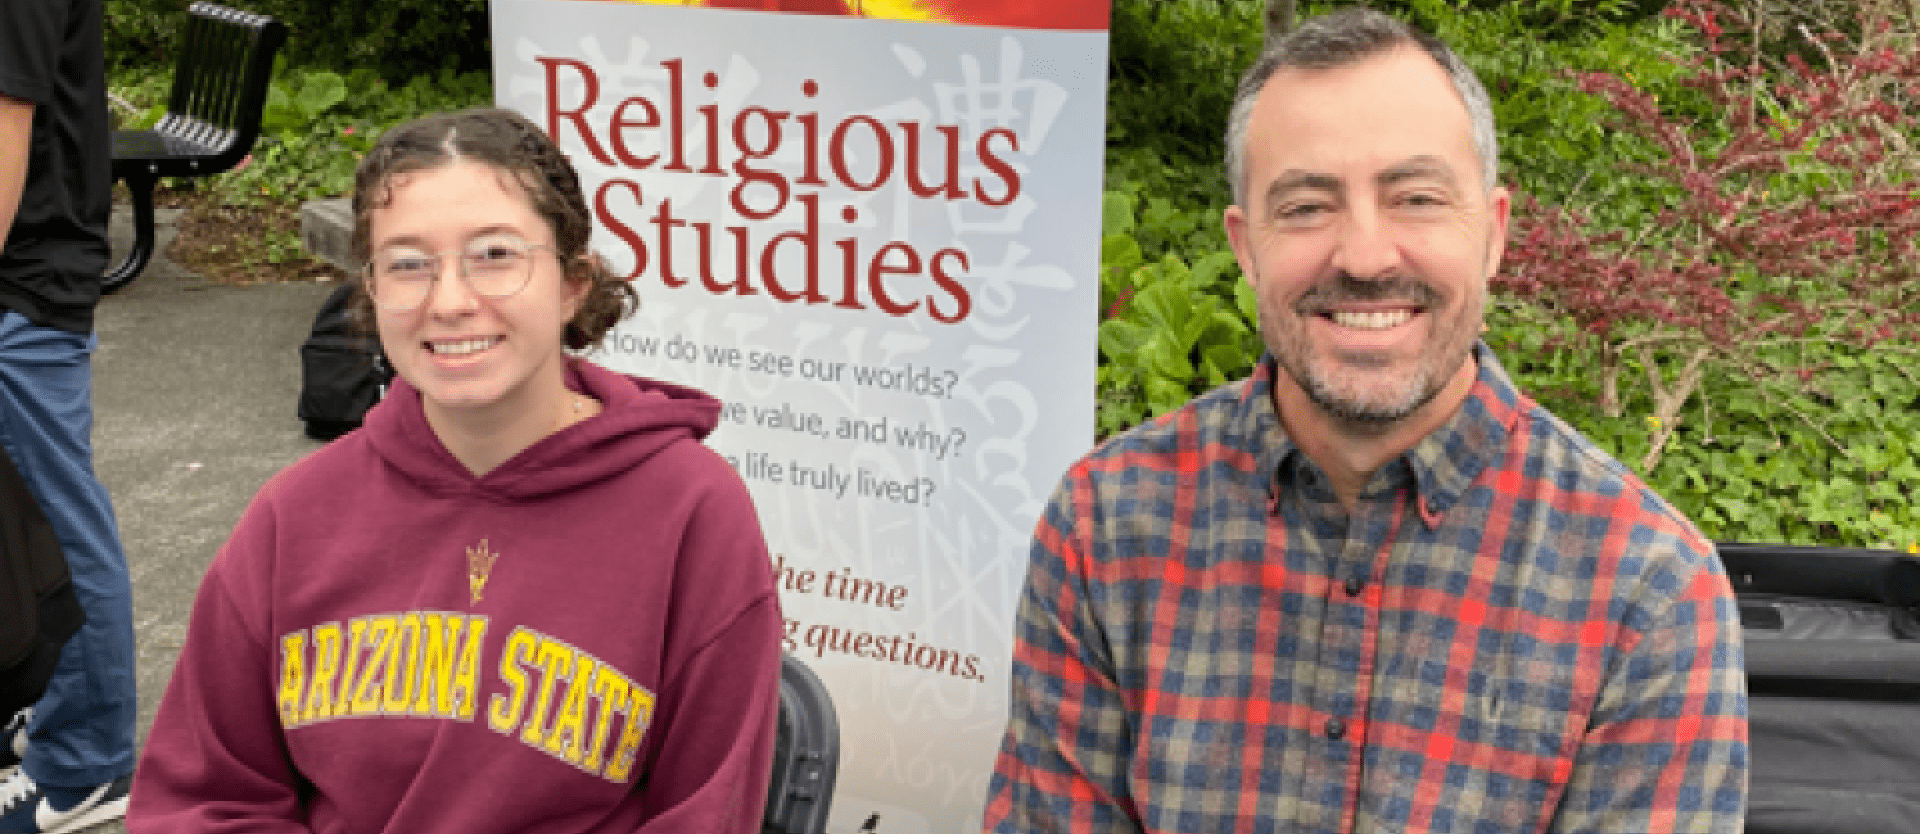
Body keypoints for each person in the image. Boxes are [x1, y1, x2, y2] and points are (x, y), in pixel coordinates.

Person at [984, 9, 1747, 834]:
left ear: (1492, 234)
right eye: (1308, 207)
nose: (1365, 256)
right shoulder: (1106, 530)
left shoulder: (1650, 595)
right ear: (1246, 246)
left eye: (1415, 198)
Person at [126, 108, 784, 833]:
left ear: (573, 283)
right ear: (371, 291)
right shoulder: (295, 517)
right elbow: (203, 799)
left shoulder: (691, 514)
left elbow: (704, 816)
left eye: (495, 254)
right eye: (408, 264)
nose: (450, 301)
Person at [0, 0, 142, 829]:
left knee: (52, 518)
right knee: (24, 520)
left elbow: (6, 129)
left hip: (24, 286)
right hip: (30, 280)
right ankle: (37, 703)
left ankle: (86, 762)